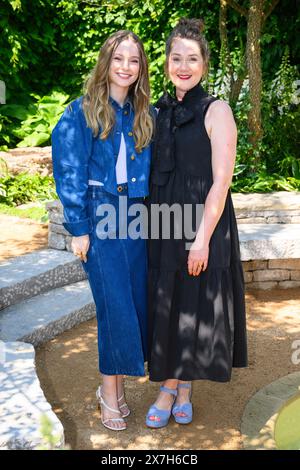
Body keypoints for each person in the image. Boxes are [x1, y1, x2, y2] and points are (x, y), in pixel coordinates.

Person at [146, 18, 248, 428]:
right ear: (167, 62)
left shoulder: (216, 110)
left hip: (202, 223)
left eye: (192, 58)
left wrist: (201, 238)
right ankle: (179, 384)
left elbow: (221, 179)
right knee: (168, 303)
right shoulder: (156, 111)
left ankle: (172, 387)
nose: (183, 65)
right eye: (176, 58)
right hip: (163, 223)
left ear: (204, 63)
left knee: (192, 306)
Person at [52, 30, 154, 431]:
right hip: (100, 215)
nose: (126, 67)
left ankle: (117, 389)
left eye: (134, 60)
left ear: (140, 67)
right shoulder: (81, 111)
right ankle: (109, 395)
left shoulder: (145, 113)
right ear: (106, 62)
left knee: (134, 305)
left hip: (138, 216)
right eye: (119, 59)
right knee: (113, 308)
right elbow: (69, 170)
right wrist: (78, 227)